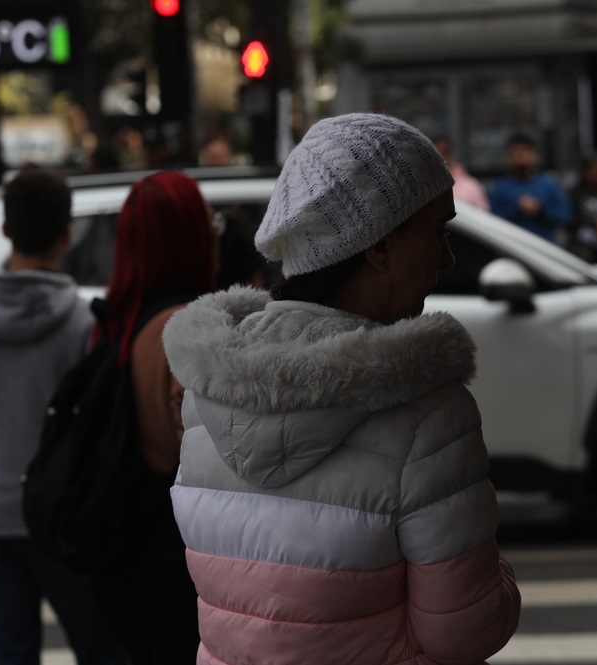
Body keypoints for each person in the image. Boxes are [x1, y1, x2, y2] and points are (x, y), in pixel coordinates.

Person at [163, 113, 521, 665]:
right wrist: (497, 574)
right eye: (436, 232)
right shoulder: (426, 414)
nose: (447, 257)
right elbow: (466, 630)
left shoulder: (206, 394)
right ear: (379, 246)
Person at [0, 169, 127, 665]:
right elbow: (98, 428)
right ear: (66, 235)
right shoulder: (84, 323)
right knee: (100, 648)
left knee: (11, 652)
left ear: (5, 230)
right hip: (64, 516)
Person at [90, 171, 217, 664]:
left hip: (123, 549)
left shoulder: (115, 322)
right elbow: (205, 454)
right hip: (172, 560)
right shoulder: (185, 329)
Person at [489, 132, 570, 243]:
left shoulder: (549, 184)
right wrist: (516, 208)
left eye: (525, 150)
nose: (521, 155)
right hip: (510, 245)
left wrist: (541, 208)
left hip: (544, 246)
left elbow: (564, 214)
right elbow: (490, 218)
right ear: (509, 156)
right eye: (515, 151)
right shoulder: (500, 187)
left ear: (534, 154)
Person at [434, 134, 489, 210]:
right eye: (437, 154)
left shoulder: (472, 187)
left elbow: (483, 215)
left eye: (445, 153)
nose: (442, 158)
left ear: (452, 154)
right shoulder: (422, 188)